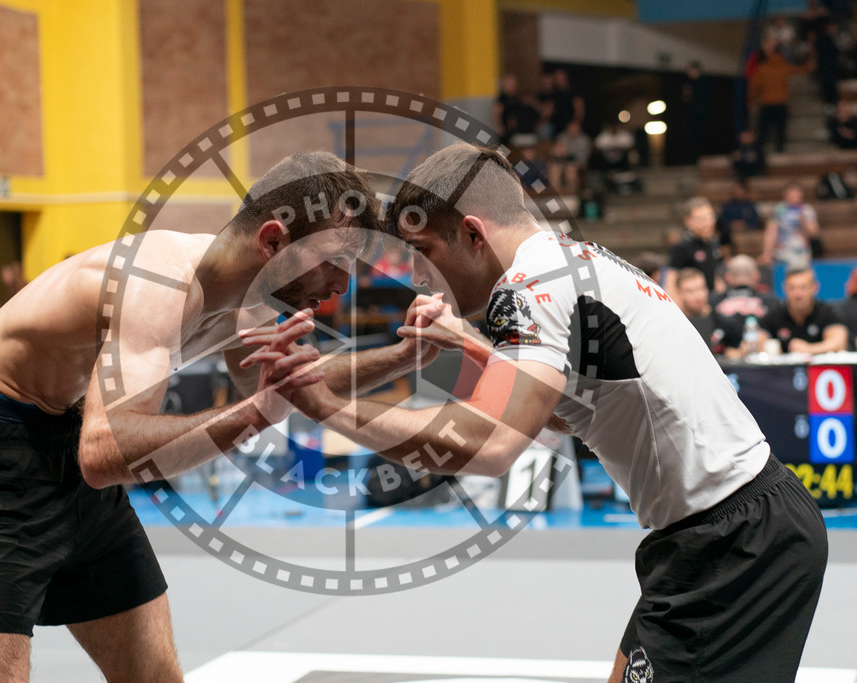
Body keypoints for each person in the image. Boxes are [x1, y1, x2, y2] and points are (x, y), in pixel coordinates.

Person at [251, 142, 827, 682]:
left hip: (731, 543)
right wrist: (471, 344)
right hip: (735, 528)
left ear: (473, 234)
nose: (421, 278)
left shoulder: (527, 290)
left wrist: (326, 406)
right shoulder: (572, 261)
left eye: (424, 254)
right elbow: (559, 413)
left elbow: (493, 444)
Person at [0, 151, 399, 682]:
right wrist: (254, 416)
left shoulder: (256, 302)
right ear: (272, 242)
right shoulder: (156, 284)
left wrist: (407, 353)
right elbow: (103, 454)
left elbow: (292, 389)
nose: (342, 286)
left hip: (69, 439)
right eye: (333, 261)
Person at [755, 267, 848, 355]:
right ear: (784, 288)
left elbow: (839, 343)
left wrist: (809, 349)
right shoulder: (775, 314)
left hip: (817, 370)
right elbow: (755, 341)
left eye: (803, 288)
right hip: (782, 370)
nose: (797, 294)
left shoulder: (826, 312)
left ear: (815, 287)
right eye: (792, 288)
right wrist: (767, 348)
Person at [749, 36, 814, 153]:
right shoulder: (784, 66)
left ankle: (758, 155)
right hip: (781, 103)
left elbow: (754, 87)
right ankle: (779, 153)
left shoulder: (762, 68)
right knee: (780, 132)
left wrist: (752, 101)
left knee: (762, 132)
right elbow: (799, 70)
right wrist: (808, 66)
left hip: (767, 103)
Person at [711, 255, 781, 358]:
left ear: (727, 277)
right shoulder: (771, 302)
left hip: (724, 364)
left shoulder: (713, 302)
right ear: (756, 276)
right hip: (763, 363)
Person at [664, 197, 724, 296]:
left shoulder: (714, 242)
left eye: (710, 217)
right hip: (691, 303)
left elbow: (715, 274)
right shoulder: (681, 246)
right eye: (701, 219)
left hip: (710, 300)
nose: (707, 223)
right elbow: (670, 281)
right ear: (688, 222)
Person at [761, 181, 821, 271]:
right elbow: (770, 233)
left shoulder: (807, 210)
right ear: (785, 194)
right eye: (791, 195)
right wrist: (767, 253)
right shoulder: (778, 210)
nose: (794, 198)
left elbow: (814, 233)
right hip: (782, 253)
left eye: (797, 195)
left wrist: (803, 222)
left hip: (801, 253)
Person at [674, 268, 719, 349]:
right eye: (690, 291)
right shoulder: (674, 324)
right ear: (678, 293)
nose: (698, 295)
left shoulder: (717, 317)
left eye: (701, 288)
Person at [494, 73, 540, 149]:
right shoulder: (502, 98)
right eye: (510, 84)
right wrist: (500, 126)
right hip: (507, 131)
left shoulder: (516, 97)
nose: (513, 86)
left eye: (514, 84)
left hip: (517, 132)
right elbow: (497, 112)